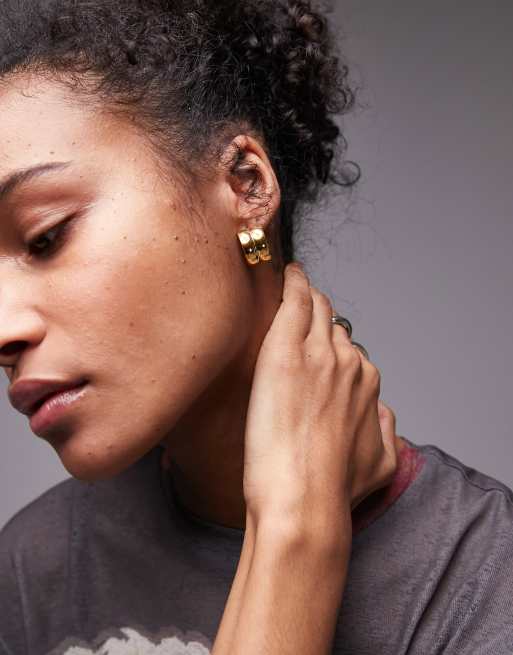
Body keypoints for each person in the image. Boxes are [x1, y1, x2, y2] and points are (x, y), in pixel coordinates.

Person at [0, 1, 512, 654]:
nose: (3, 328)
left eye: (45, 236)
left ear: (245, 184)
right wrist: (294, 535)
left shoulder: (481, 578)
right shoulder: (33, 572)